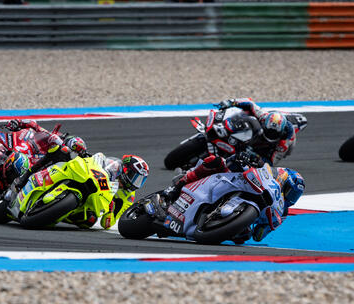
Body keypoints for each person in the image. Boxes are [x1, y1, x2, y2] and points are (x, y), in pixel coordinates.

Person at [163, 150, 304, 243]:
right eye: (289, 191)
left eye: (294, 196)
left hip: (237, 216)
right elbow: (255, 160)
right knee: (217, 161)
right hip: (236, 182)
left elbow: (259, 236)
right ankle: (179, 184)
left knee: (244, 236)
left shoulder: (281, 214)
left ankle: (210, 222)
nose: (290, 197)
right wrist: (246, 158)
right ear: (283, 179)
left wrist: (260, 228)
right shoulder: (268, 174)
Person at [61, 153, 150, 229]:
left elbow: (107, 224)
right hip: (90, 179)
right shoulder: (114, 165)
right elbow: (96, 159)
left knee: (90, 220)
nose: (135, 183)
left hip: (94, 202)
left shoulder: (128, 198)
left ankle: (65, 213)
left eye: (140, 180)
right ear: (126, 170)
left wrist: (110, 210)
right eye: (134, 177)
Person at [216, 97, 299, 165]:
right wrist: (231, 102)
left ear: (280, 133)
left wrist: (255, 157)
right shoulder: (264, 117)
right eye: (269, 130)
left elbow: (271, 162)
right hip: (266, 127)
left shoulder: (283, 145)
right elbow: (250, 103)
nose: (270, 133)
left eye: (273, 133)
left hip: (278, 146)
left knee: (255, 158)